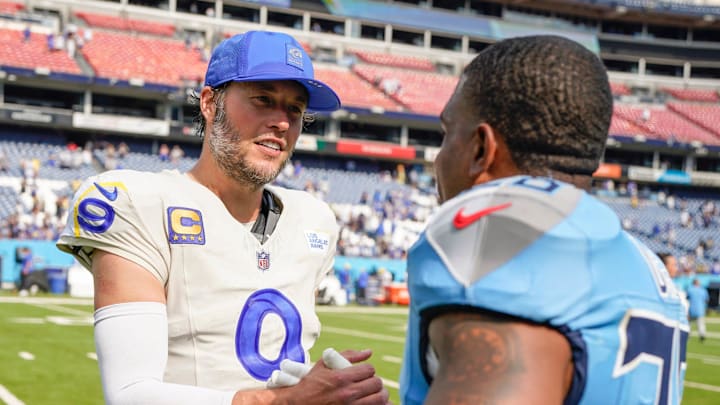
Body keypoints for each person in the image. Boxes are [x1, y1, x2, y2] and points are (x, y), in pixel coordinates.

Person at [57, 30, 388, 405]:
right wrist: (283, 402)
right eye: (263, 100)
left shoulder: (314, 219)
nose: (282, 122)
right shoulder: (140, 203)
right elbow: (131, 394)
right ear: (210, 103)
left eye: (295, 109)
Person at [400, 35, 689, 405]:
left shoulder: (502, 230)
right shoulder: (642, 262)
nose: (439, 157)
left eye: (447, 133)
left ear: (480, 148)